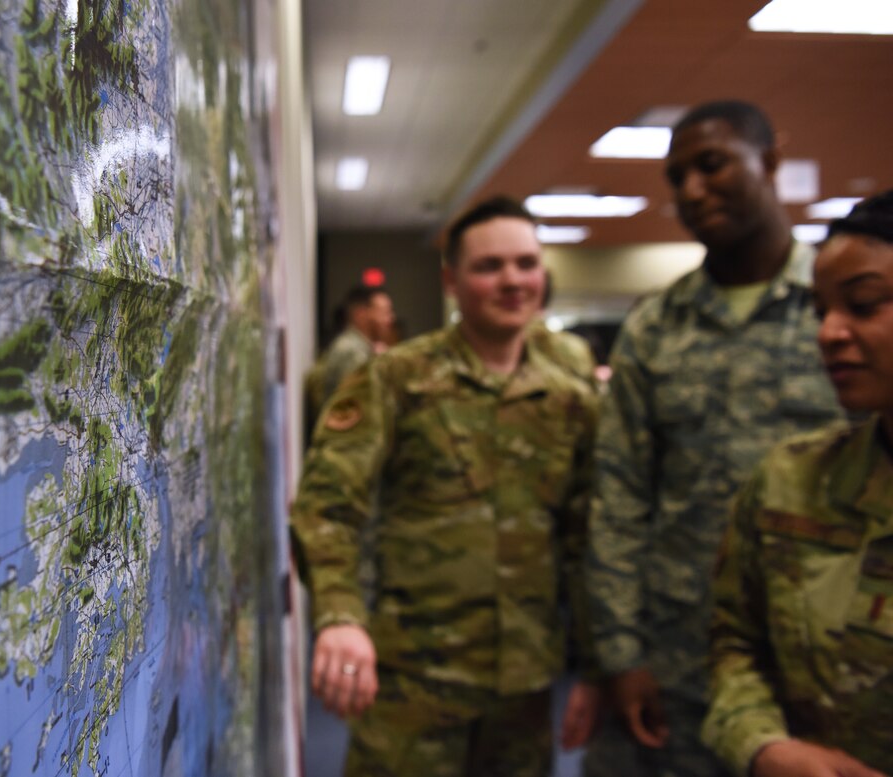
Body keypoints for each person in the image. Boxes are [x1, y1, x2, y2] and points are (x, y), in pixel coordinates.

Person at [291, 196, 600, 776]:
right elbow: (326, 506)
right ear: (452, 282)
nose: (513, 281)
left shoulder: (571, 399)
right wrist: (340, 615)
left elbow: (586, 538)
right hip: (413, 681)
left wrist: (593, 666)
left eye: (527, 264)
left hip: (527, 687)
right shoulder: (396, 378)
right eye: (490, 267)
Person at [583, 100, 845, 777]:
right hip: (681, 652)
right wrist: (621, 652)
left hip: (826, 653)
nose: (693, 190)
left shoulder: (840, 306)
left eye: (712, 164)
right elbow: (620, 497)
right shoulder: (657, 326)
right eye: (677, 177)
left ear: (771, 164)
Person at [702, 191, 893, 777]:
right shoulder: (790, 479)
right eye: (820, 310)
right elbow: (735, 643)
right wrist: (764, 747)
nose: (829, 332)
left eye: (862, 305)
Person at [304, 285, 395, 438]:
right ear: (360, 314)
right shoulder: (351, 352)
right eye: (384, 312)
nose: (390, 318)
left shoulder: (358, 348)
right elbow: (361, 411)